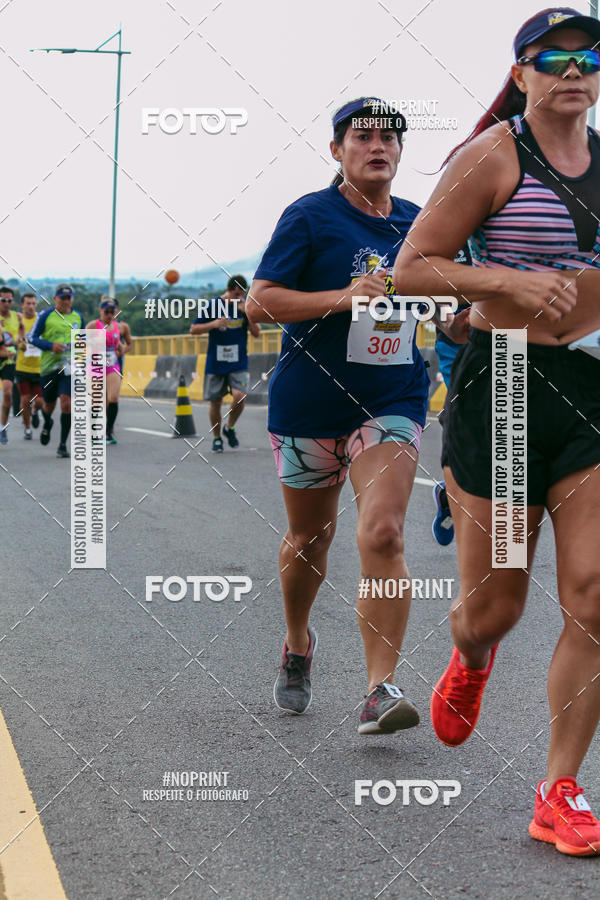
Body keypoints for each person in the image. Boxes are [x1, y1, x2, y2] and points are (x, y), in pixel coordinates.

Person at [394, 7, 600, 855]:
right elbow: (413, 267)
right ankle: (471, 659)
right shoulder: (490, 156)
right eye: (549, 57)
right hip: (505, 384)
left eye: (587, 55)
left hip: (589, 383)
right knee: (495, 608)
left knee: (592, 594)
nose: (571, 69)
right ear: (520, 75)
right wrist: (510, 281)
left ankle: (560, 788)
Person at [247, 97, 466, 733]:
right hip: (308, 404)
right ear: (337, 149)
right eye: (363, 137)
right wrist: (344, 298)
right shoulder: (310, 216)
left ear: (401, 152)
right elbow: (261, 304)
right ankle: (297, 643)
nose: (379, 147)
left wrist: (456, 311)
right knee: (310, 538)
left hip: (391, 399)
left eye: (390, 139)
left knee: (385, 532)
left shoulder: (419, 222)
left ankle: (379, 688)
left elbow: (444, 294)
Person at [190, 275, 260, 452]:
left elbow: (257, 333)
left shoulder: (246, 307)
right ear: (228, 290)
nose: (238, 298)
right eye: (235, 294)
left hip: (239, 362)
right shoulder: (213, 306)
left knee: (240, 396)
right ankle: (216, 437)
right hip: (216, 362)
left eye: (241, 294)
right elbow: (194, 329)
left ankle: (230, 427)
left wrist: (247, 313)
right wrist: (213, 324)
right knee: (216, 402)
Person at [432, 247, 472, 546]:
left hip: (512, 336)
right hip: (456, 343)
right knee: (468, 419)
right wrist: (448, 321)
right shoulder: (449, 224)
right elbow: (415, 281)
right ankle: (452, 492)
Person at [30, 284, 84, 458]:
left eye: (69, 298)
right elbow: (32, 337)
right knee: (48, 405)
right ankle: (47, 423)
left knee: (66, 403)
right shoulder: (46, 315)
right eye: (62, 298)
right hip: (49, 367)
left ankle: (62, 445)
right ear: (55, 299)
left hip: (69, 368)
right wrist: (51, 346)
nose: (66, 302)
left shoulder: (78, 317)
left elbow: (83, 340)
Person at [87, 297, 132, 444]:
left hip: (113, 365)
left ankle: (108, 431)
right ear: (100, 311)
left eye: (112, 312)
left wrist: (122, 350)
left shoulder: (120, 327)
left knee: (113, 397)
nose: (109, 315)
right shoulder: (94, 325)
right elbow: (80, 342)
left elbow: (126, 344)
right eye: (106, 312)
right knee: (97, 400)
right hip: (96, 366)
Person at [15, 293, 43, 439]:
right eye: (28, 303)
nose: (31, 306)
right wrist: (20, 345)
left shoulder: (41, 320)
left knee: (39, 401)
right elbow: (14, 340)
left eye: (33, 303)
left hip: (40, 368)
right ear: (22, 305)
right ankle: (27, 428)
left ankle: (35, 411)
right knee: (25, 399)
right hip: (22, 367)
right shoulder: (19, 322)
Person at [0, 287, 23, 444]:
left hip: (8, 361)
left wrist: (21, 343)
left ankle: (2, 428)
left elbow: (22, 339)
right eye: (3, 300)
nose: (7, 303)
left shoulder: (17, 317)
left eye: (9, 300)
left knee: (7, 394)